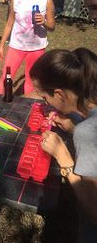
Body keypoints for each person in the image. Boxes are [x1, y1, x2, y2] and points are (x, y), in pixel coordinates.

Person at [30, 48, 97, 243]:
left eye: (45, 98)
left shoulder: (88, 132)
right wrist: (74, 126)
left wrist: (63, 156)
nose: (46, 103)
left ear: (59, 94)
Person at [0, 0, 55, 95]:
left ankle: (27, 110)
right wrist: (1, 45)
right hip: (16, 46)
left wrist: (44, 22)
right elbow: (9, 24)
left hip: (36, 48)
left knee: (30, 81)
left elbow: (52, 26)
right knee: (6, 77)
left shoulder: (46, 0)